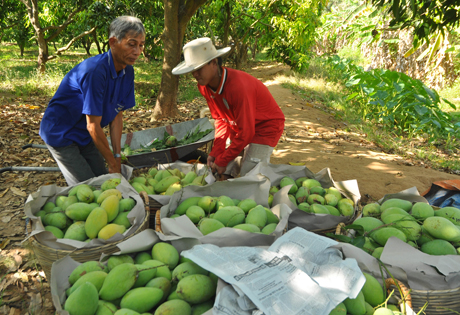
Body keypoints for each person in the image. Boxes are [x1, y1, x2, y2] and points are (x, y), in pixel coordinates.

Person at [39, 16, 145, 186]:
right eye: (131, 44)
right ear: (113, 42)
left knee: (103, 180)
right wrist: (111, 163)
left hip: (85, 134)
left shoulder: (128, 72)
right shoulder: (96, 71)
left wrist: (116, 156)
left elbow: (117, 116)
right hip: (61, 132)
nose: (137, 51)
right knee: (89, 189)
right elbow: (93, 125)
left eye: (141, 45)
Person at [172, 37, 285, 180]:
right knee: (223, 171)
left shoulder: (238, 87)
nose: (195, 74)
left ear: (214, 62)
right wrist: (216, 152)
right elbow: (220, 119)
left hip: (266, 126)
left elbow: (247, 132)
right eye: (192, 70)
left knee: (250, 175)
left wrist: (222, 160)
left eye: (199, 69)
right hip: (241, 126)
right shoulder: (204, 86)